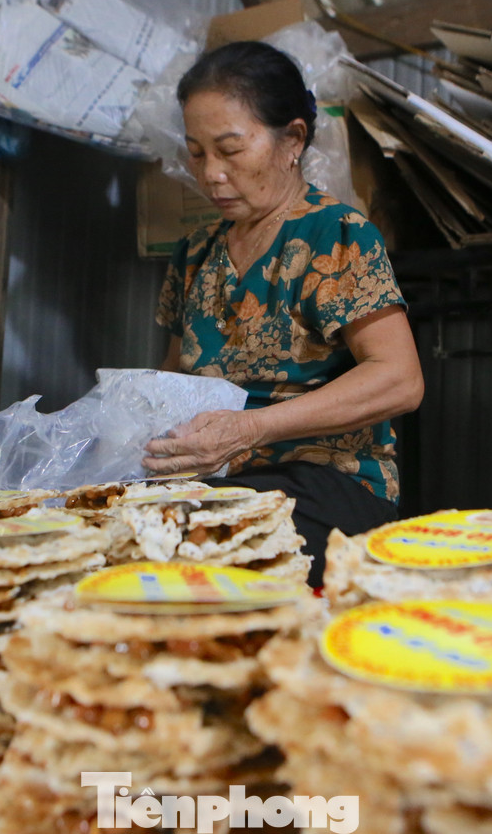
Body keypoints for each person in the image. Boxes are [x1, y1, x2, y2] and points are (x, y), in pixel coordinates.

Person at [141, 40, 424, 583]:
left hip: (327, 484)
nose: (211, 174)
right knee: (112, 531)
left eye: (230, 149)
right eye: (196, 153)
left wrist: (250, 429)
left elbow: (400, 380)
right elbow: (173, 378)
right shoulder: (195, 252)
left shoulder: (335, 235)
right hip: (217, 483)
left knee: (193, 556)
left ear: (292, 139)